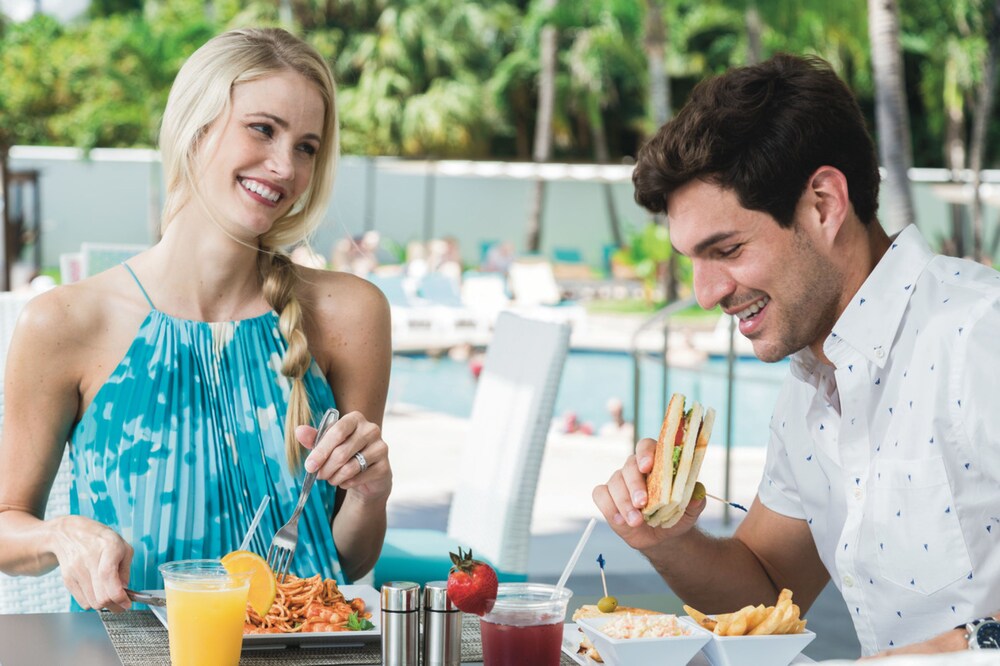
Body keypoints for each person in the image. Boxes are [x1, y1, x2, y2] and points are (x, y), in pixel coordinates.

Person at [593, 53, 1000, 658]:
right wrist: (667, 539)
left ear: (823, 205)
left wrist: (953, 648)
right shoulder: (813, 383)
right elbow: (764, 589)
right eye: (693, 264)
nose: (706, 294)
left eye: (726, 249)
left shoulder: (980, 334)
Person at [0, 27, 393, 613]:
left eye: (307, 147)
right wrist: (59, 535)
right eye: (262, 129)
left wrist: (369, 495)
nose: (285, 166)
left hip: (308, 648)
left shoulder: (350, 314)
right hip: (137, 650)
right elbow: (6, 527)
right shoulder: (64, 322)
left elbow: (350, 561)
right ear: (194, 127)